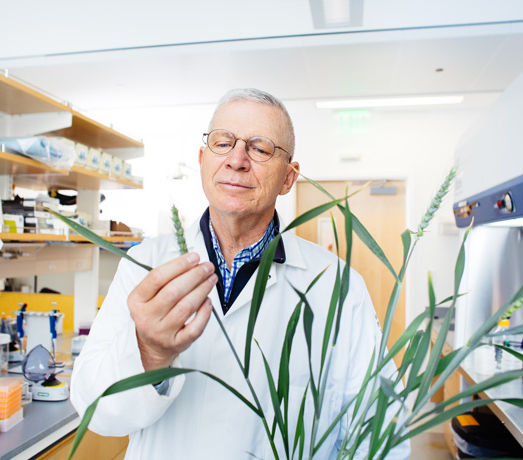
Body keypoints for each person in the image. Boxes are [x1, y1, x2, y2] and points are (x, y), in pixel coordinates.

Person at [71, 88, 410, 459]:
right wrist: (149, 352)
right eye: (223, 143)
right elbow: (95, 410)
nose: (237, 160)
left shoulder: (336, 284)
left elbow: (380, 429)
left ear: (288, 178)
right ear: (203, 159)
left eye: (260, 148)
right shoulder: (144, 265)